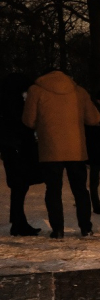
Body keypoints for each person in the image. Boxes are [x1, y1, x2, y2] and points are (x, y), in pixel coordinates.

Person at [22, 68, 100, 238]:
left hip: (50, 149)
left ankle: (58, 230)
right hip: (76, 150)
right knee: (80, 190)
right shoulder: (79, 92)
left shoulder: (36, 90)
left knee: (53, 190)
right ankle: (86, 228)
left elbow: (28, 120)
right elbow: (94, 118)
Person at [0, 73, 43, 236]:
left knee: (18, 186)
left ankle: (18, 220)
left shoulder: (6, 104)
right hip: (19, 149)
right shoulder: (16, 106)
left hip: (12, 149)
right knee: (20, 186)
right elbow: (25, 124)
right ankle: (18, 222)